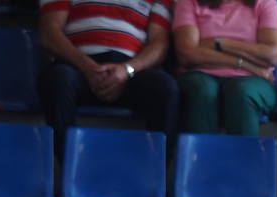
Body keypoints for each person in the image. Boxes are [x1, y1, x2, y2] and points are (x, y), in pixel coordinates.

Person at [36, 0, 181, 160]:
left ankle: (152, 175)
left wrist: (127, 70)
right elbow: (50, 32)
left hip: (131, 71)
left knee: (166, 88)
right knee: (58, 80)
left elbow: (159, 44)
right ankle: (71, 168)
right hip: (77, 66)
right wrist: (88, 67)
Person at [171, 0, 277, 136]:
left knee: (242, 92)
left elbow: (271, 55)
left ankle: (243, 156)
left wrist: (218, 43)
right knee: (203, 90)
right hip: (199, 76)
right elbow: (187, 54)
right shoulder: (188, 2)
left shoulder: (265, 3)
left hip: (252, 81)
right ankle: (201, 156)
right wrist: (245, 64)